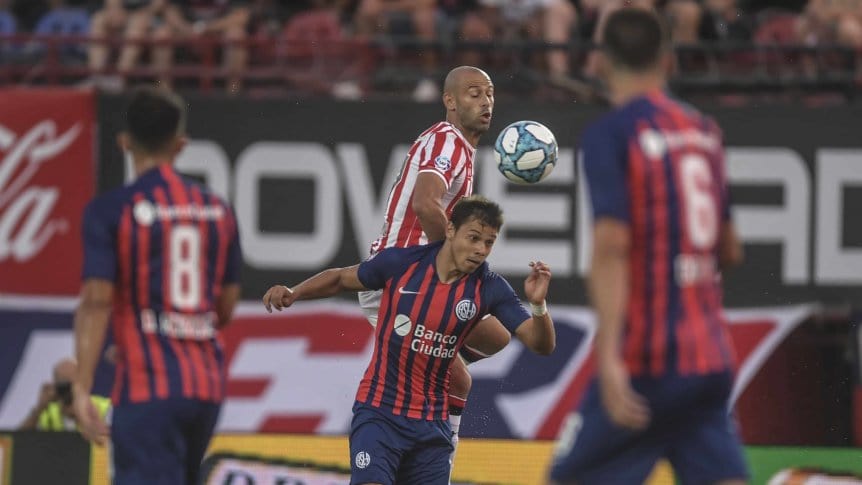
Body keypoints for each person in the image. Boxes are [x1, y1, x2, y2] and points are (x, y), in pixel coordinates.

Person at [548, 8, 748, 485]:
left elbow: (612, 247)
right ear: (667, 60)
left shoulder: (612, 135)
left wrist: (610, 359)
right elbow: (730, 250)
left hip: (648, 361)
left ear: (600, 62)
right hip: (709, 359)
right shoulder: (704, 131)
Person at [263, 195, 556, 484]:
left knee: (494, 341)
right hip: (380, 415)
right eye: (474, 238)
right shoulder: (402, 263)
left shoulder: (490, 287)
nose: (480, 250)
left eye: (489, 243)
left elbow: (541, 345)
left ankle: (452, 434)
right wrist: (294, 292)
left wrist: (538, 305)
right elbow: (340, 279)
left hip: (431, 427)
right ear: (450, 229)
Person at [72, 87, 242, 485]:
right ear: (180, 145)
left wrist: (82, 388)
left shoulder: (111, 210)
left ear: (124, 142)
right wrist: (177, 329)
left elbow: (96, 302)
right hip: (206, 387)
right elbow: (225, 307)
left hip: (148, 387)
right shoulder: (218, 209)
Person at [358, 65, 512, 467]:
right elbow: (426, 204)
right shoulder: (447, 140)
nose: (485, 102)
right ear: (450, 101)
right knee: (459, 379)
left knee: (496, 337)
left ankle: (417, 381)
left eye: (490, 94)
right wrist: (453, 268)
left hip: (416, 276)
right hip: (402, 277)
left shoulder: (460, 148)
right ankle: (434, 465)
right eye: (474, 93)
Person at [18, 358, 111, 432]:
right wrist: (39, 408)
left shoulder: (102, 407)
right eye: (62, 386)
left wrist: (85, 416)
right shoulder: (49, 413)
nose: (67, 391)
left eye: (70, 385)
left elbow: (114, 438)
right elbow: (19, 440)